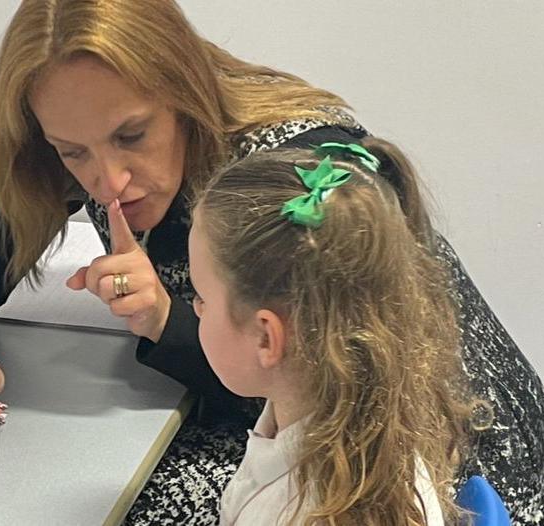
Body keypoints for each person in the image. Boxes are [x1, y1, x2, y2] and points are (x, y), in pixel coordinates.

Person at [0, 1, 544, 523]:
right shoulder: (73, 142)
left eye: (133, 136)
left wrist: (165, 322)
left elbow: (337, 393)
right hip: (293, 421)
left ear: (183, 96)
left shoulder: (283, 177)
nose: (109, 179)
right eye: (73, 152)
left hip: (457, 467)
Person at [188, 141, 472, 525]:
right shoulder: (350, 416)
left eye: (201, 296)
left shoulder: (313, 512)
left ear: (265, 337)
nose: (196, 308)